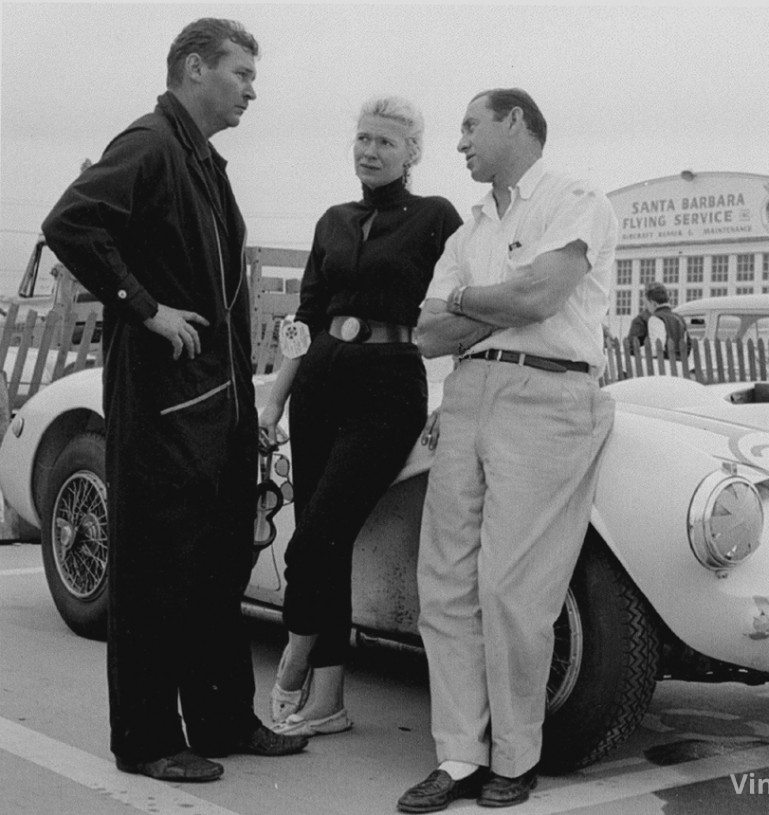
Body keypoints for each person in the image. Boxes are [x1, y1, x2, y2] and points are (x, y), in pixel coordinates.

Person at [41, 18, 308, 782]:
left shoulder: (201, 160)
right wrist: (144, 306)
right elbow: (71, 223)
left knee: (216, 568)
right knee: (155, 575)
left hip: (215, 409)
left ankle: (223, 719)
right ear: (194, 69)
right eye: (241, 74)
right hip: (163, 410)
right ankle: (148, 739)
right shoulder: (151, 144)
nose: (252, 90)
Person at [398, 88, 617, 812]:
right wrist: (485, 302)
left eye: (469, 126)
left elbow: (539, 298)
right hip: (467, 396)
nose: (458, 142)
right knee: (447, 581)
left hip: (549, 397)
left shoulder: (574, 198)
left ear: (515, 122)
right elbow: (429, 334)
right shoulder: (471, 232)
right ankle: (459, 755)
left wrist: (469, 304)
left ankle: (515, 756)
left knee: (513, 588)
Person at [259, 97, 462, 738]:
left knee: (319, 531)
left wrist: (453, 395)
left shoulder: (436, 218)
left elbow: (459, 312)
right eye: (363, 139)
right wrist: (274, 397)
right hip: (318, 381)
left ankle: (296, 650)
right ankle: (329, 700)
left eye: (385, 142)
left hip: (388, 386)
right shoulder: (332, 220)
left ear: (412, 154)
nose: (370, 150)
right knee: (327, 539)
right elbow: (305, 318)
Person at [625, 280, 690, 356]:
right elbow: (687, 345)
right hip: (681, 364)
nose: (646, 308)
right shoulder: (680, 318)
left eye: (646, 304)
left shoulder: (655, 318)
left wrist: (639, 352)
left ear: (654, 303)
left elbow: (656, 349)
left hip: (663, 364)